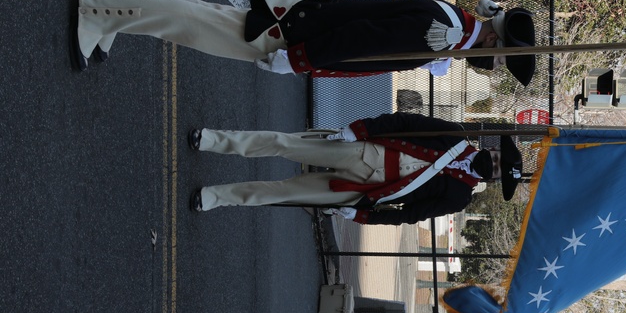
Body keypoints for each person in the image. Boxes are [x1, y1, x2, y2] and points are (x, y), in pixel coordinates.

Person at [73, 0, 536, 85]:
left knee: (198, 21)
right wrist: (300, 59)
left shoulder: (450, 21)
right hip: (296, 33)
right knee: (195, 25)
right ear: (494, 43)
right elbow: (361, 42)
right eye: (499, 60)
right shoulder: (446, 34)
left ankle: (110, 11)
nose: (492, 65)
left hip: (304, 26)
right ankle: (99, 12)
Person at [189, 112, 523, 223]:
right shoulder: (456, 135)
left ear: (492, 179)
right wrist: (359, 129)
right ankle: (214, 140)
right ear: (491, 150)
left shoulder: (459, 198)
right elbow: (405, 121)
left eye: (494, 170)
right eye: (495, 159)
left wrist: (362, 216)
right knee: (285, 144)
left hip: (363, 192)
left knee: (284, 193)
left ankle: (217, 197)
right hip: (365, 151)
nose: (490, 165)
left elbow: (408, 214)